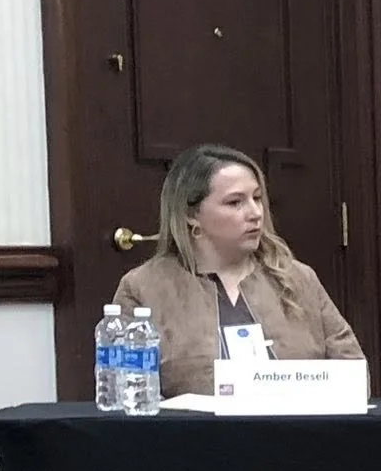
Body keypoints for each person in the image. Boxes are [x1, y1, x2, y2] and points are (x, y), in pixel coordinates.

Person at [113, 144, 362, 397]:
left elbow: (353, 373)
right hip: (193, 434)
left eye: (257, 198)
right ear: (191, 214)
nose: (255, 213)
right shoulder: (143, 288)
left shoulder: (298, 278)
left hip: (298, 432)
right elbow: (126, 391)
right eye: (235, 202)